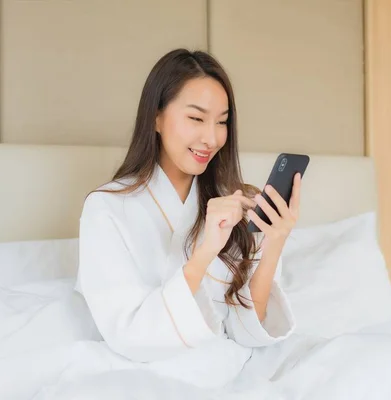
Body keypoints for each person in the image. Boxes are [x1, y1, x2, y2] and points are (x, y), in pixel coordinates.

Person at [75, 48, 302, 388]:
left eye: (222, 122)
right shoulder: (106, 209)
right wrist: (204, 253)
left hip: (236, 372)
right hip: (152, 378)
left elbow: (247, 332)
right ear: (156, 117)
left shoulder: (233, 203)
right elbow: (131, 336)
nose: (211, 138)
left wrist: (274, 244)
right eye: (196, 119)